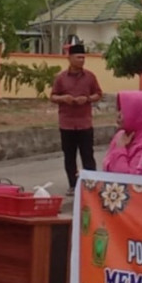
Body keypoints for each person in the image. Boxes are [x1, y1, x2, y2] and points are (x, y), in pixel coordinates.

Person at [50, 42, 103, 193]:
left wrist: (87, 99)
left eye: (83, 57)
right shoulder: (61, 78)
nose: (81, 60)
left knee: (88, 154)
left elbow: (98, 94)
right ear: (70, 58)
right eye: (78, 57)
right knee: (69, 156)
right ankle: (73, 185)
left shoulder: (90, 77)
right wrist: (63, 98)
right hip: (66, 123)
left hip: (84, 123)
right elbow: (53, 96)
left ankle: (91, 184)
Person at [103, 91, 142, 174]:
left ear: (136, 112)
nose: (118, 115)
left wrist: (120, 148)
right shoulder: (121, 134)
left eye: (123, 111)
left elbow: (127, 178)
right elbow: (106, 165)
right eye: (118, 110)